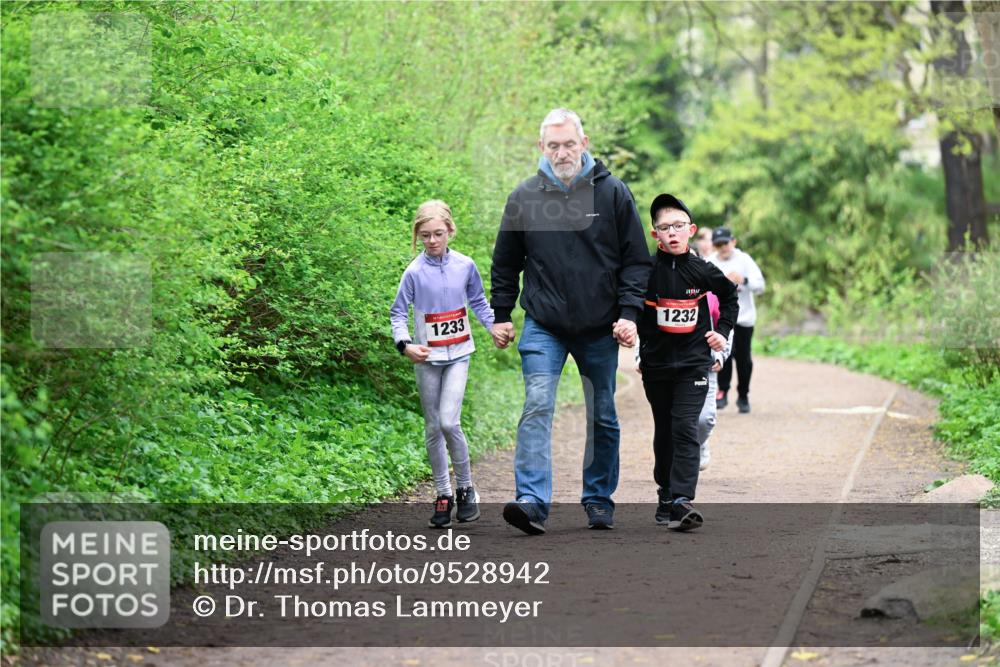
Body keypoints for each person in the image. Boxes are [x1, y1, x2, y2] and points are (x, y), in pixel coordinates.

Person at [490, 108, 652, 534]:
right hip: (544, 324)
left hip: (600, 327)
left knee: (602, 413)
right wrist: (502, 314)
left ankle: (598, 498)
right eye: (553, 145)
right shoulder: (524, 197)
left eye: (569, 144)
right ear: (541, 148)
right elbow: (505, 263)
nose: (562, 152)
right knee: (538, 404)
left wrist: (629, 313)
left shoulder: (613, 193)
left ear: (584, 143)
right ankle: (531, 501)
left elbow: (636, 261)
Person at [390, 200, 494, 529]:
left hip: (459, 354)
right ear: (417, 236)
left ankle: (466, 489)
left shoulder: (465, 265)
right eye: (425, 236)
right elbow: (397, 313)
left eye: (438, 234)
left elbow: (478, 300)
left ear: (450, 231)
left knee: (450, 422)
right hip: (427, 358)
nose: (432, 241)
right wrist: (405, 345)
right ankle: (443, 494)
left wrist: (495, 328)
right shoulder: (414, 272)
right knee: (433, 427)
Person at [638, 194, 738, 530]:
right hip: (657, 365)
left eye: (679, 226)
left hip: (695, 363)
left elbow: (729, 297)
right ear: (656, 235)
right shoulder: (645, 271)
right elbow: (632, 309)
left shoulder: (702, 270)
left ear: (691, 230)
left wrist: (721, 333)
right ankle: (665, 494)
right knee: (665, 431)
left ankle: (682, 500)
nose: (672, 233)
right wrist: (638, 345)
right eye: (665, 228)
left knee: (685, 427)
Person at [707, 227, 765, 414]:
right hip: (720, 318)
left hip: (744, 319)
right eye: (718, 244)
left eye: (725, 243)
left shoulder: (744, 260)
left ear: (733, 241)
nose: (722, 247)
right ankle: (722, 392)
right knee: (723, 354)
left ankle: (743, 395)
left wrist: (744, 280)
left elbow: (761, 286)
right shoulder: (710, 262)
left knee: (743, 359)